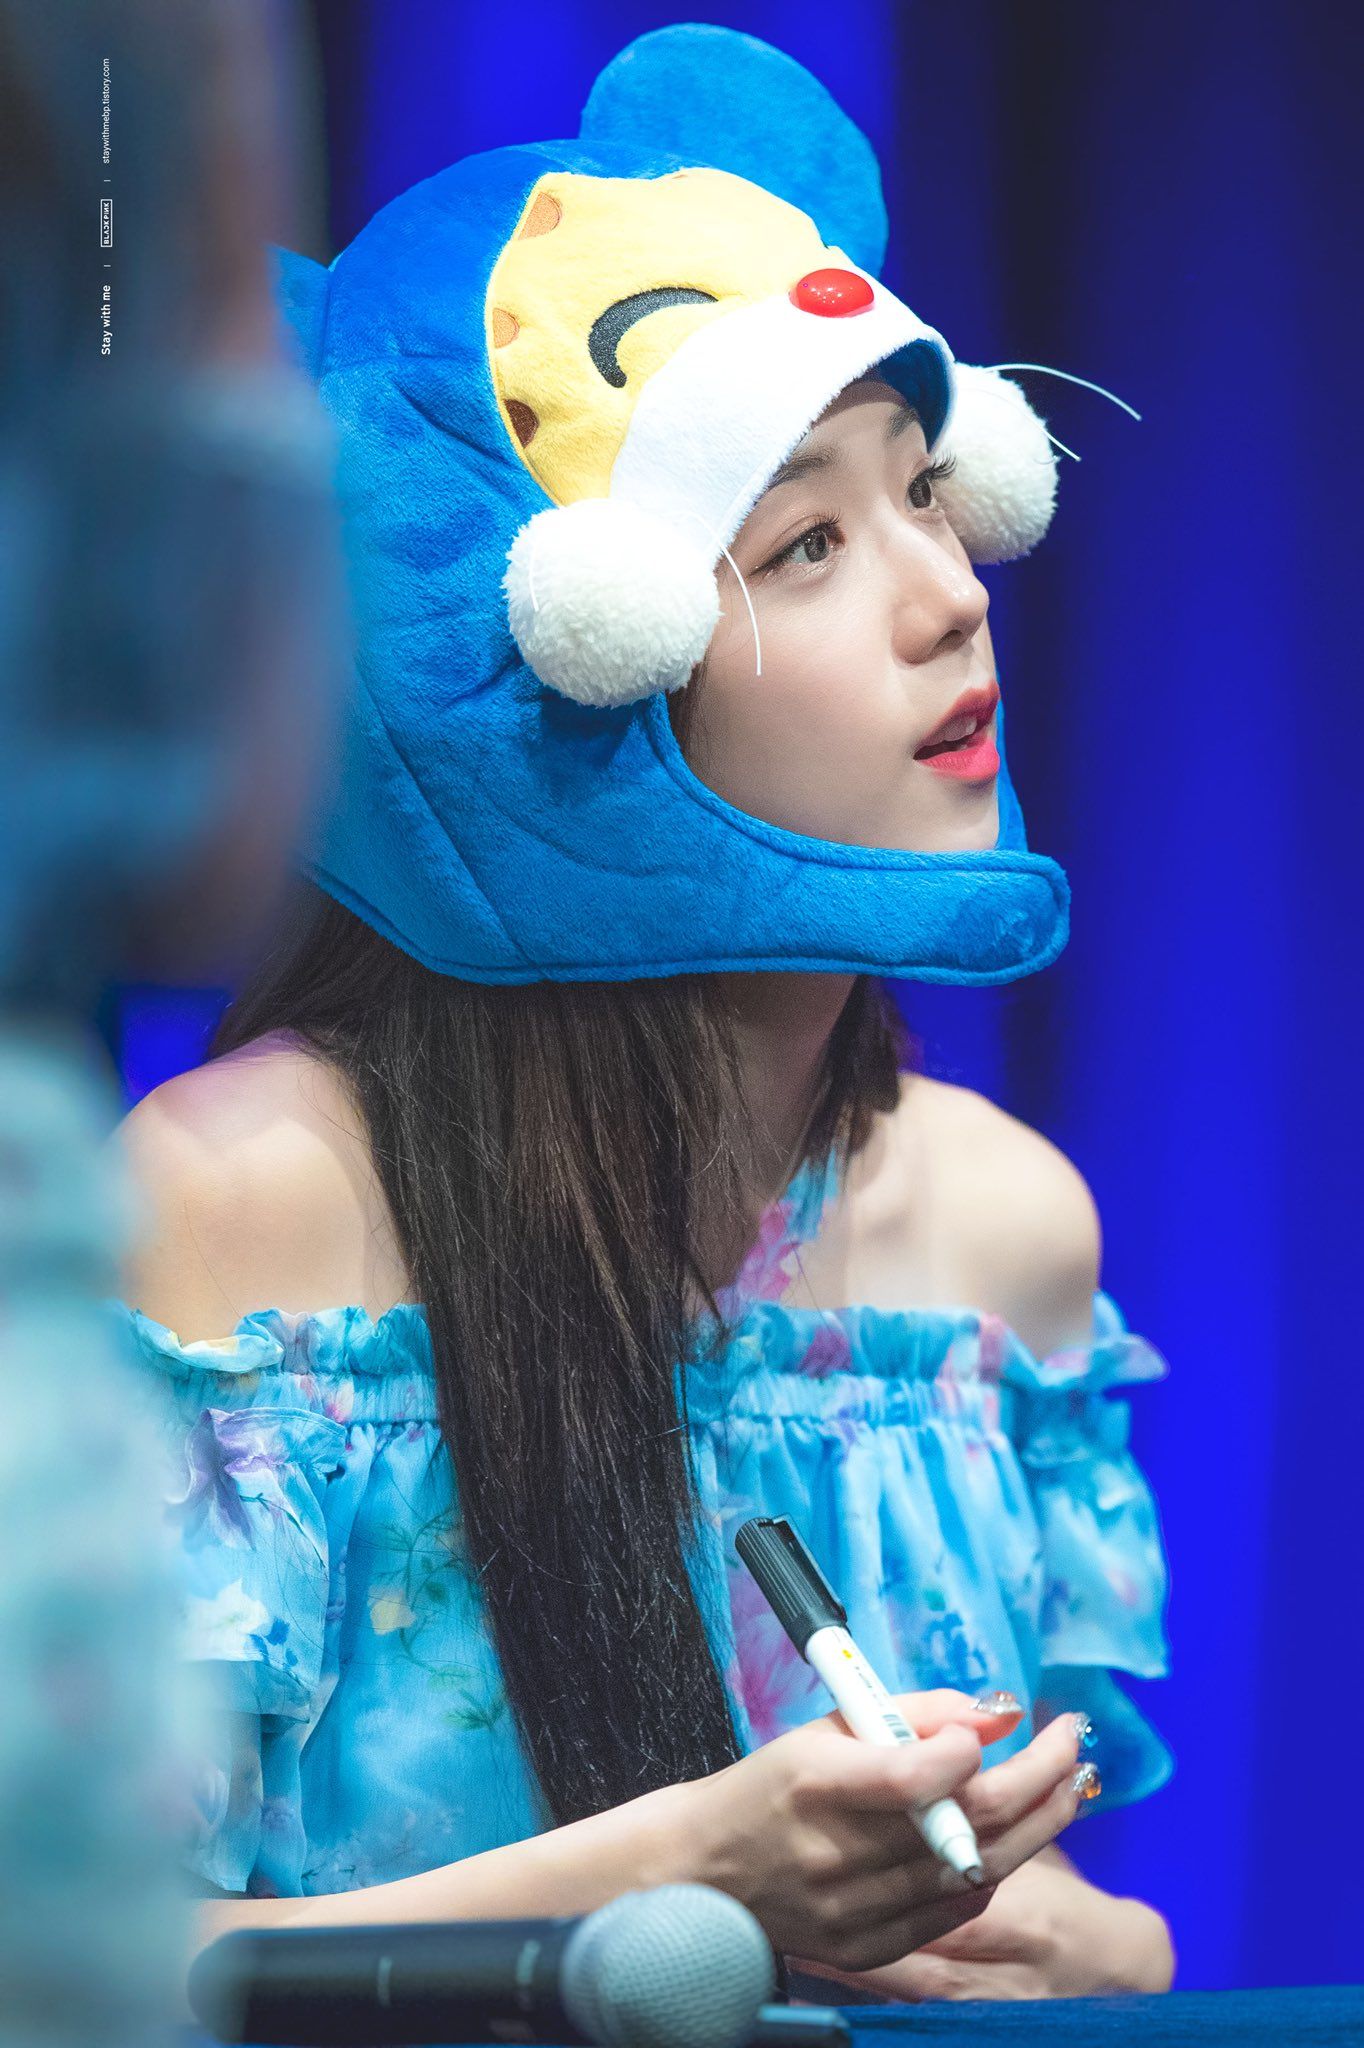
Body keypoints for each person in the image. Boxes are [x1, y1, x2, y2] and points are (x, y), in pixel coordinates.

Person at [113, 24, 1174, 2002]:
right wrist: (682, 1878)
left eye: (926, 491)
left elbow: (1035, 1917)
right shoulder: (236, 1202)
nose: (952, 596)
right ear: (560, 660)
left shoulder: (1006, 1230)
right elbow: (55, 1973)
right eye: (807, 543)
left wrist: (1109, 1951)